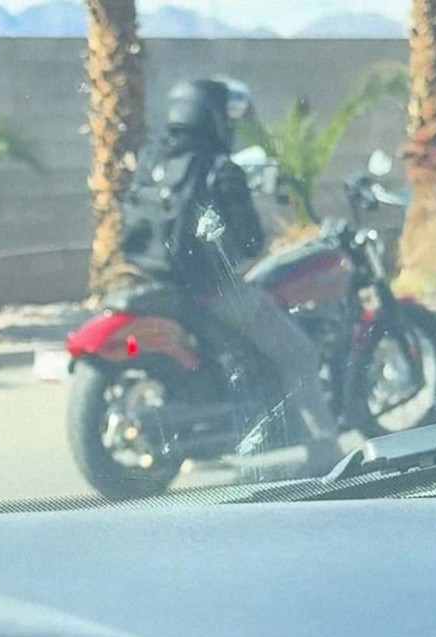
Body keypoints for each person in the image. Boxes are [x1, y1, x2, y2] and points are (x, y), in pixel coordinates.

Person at [119, 79, 344, 471]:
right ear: (212, 116)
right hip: (213, 290)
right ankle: (326, 452)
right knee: (300, 355)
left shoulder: (151, 161)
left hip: (157, 283)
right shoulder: (218, 168)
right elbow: (251, 240)